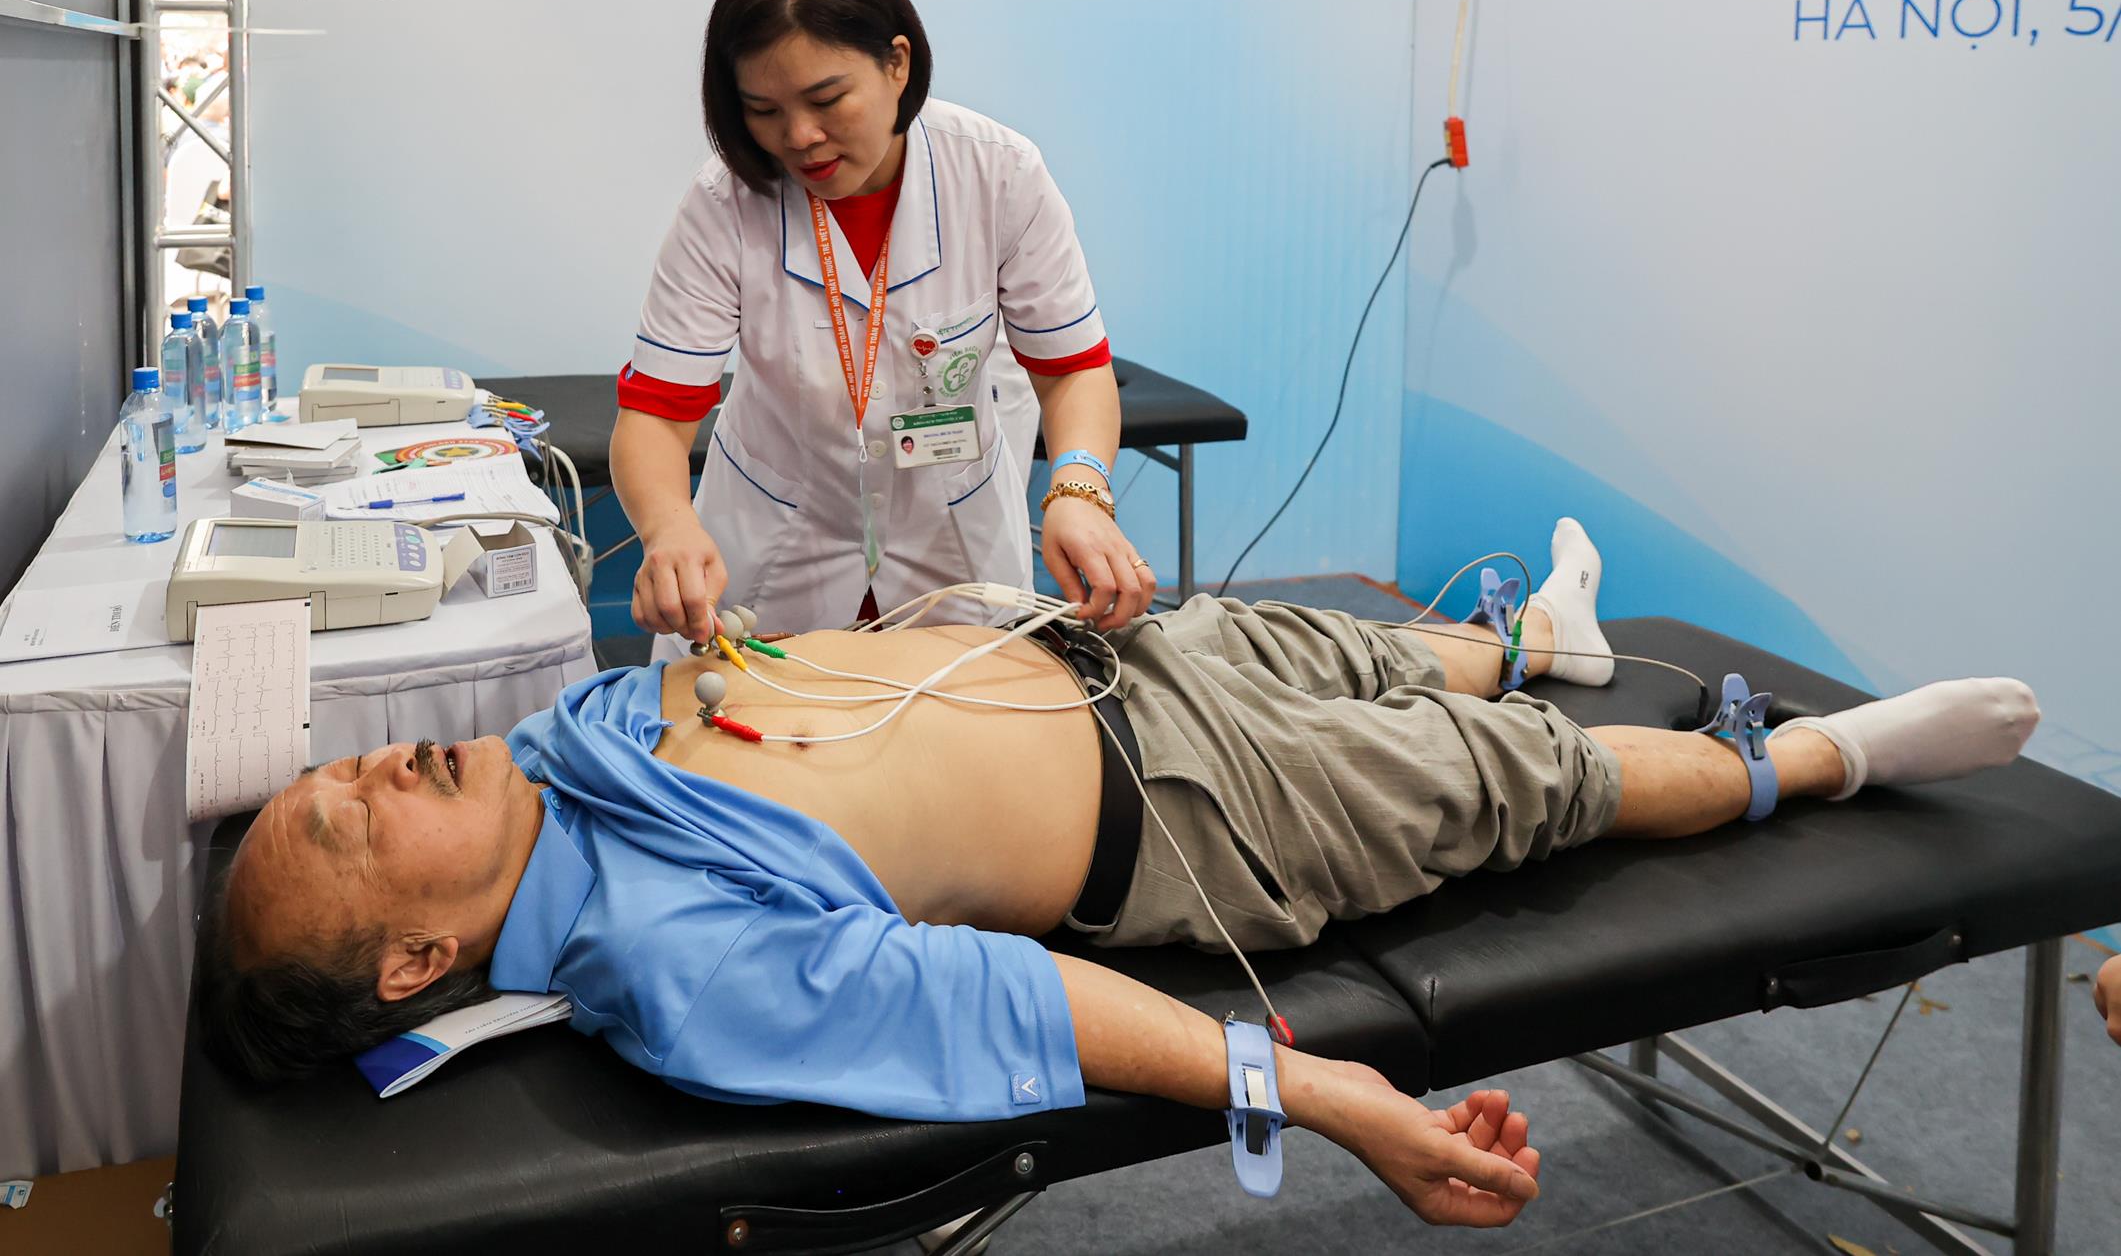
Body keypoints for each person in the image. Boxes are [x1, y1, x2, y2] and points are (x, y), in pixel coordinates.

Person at [199, 521, 2039, 1230]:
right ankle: (1823, 756)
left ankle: (1535, 635)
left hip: (1106, 653)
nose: (365, 766)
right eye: (349, 820)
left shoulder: (554, 750)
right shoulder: (667, 962)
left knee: (1376, 644)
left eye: (329, 773)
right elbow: (1012, 998)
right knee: (1520, 781)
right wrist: (1338, 1097)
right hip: (1200, 811)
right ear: (417, 959)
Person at [612, 0, 1153, 654]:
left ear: (897, 63)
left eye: (827, 98)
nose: (799, 136)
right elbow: (656, 412)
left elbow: (1072, 369)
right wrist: (668, 528)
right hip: (776, 555)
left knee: (959, 715)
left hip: (952, 551)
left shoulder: (998, 174)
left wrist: (1079, 488)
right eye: (763, 110)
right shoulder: (723, 205)